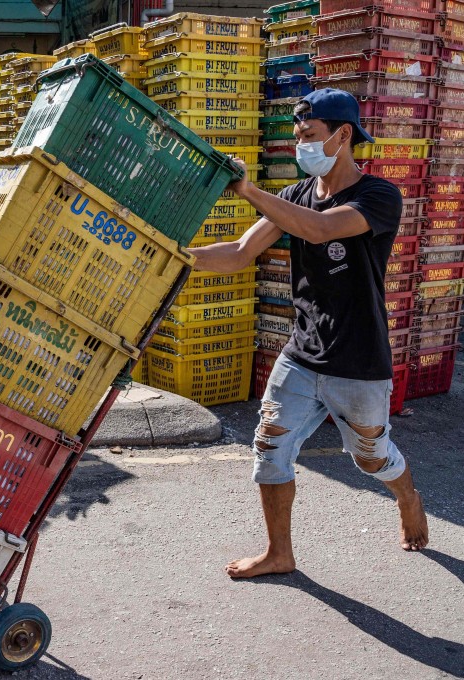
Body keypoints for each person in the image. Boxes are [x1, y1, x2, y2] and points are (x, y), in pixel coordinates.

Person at [188, 88, 429, 579]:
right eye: (298, 135)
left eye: (311, 135)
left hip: (358, 359)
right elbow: (238, 251)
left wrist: (249, 190)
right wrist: (172, 257)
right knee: (269, 446)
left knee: (371, 457)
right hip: (301, 352)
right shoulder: (295, 196)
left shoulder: (378, 196)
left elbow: (319, 230)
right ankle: (280, 553)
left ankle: (407, 496)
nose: (302, 145)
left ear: (343, 136)